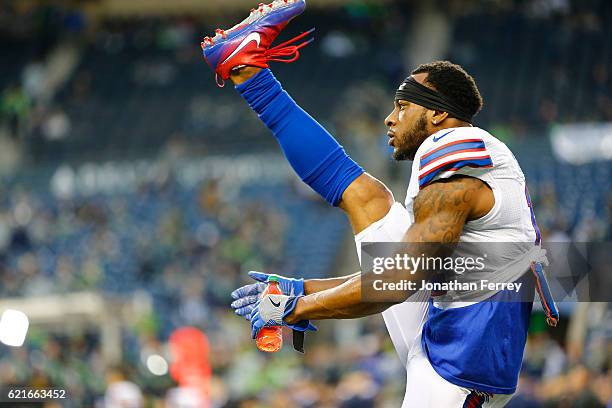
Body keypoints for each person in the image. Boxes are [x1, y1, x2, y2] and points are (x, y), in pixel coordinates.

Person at [202, 1, 558, 406]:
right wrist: (306, 291)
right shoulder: (465, 157)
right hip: (448, 330)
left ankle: (248, 68)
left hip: (459, 371)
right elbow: (409, 274)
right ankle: (249, 71)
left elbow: (399, 281)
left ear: (439, 115)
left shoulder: (453, 147)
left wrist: (299, 307)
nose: (390, 118)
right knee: (367, 197)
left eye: (403, 106)